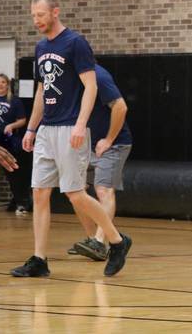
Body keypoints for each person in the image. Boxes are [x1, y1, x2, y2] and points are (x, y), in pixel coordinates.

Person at [11, 0, 132, 278]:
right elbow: (42, 90)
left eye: (40, 15)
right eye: (33, 16)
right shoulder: (41, 48)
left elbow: (90, 87)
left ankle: (116, 241)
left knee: (75, 194)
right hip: (47, 129)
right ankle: (39, 259)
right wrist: (31, 127)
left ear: (55, 12)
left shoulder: (76, 43)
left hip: (70, 128)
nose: (36, 20)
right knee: (40, 193)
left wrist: (80, 124)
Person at [68, 64, 133, 261]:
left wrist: (109, 139)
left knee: (103, 189)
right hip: (86, 143)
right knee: (75, 190)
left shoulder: (100, 76)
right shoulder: (68, 79)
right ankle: (92, 241)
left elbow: (121, 107)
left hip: (113, 144)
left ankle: (100, 240)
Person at [0, 73, 30, 215]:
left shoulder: (14, 100)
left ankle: (20, 204)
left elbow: (22, 120)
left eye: (3, 82)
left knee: (13, 172)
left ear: (7, 85)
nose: (0, 84)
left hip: (7, 139)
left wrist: (12, 125)